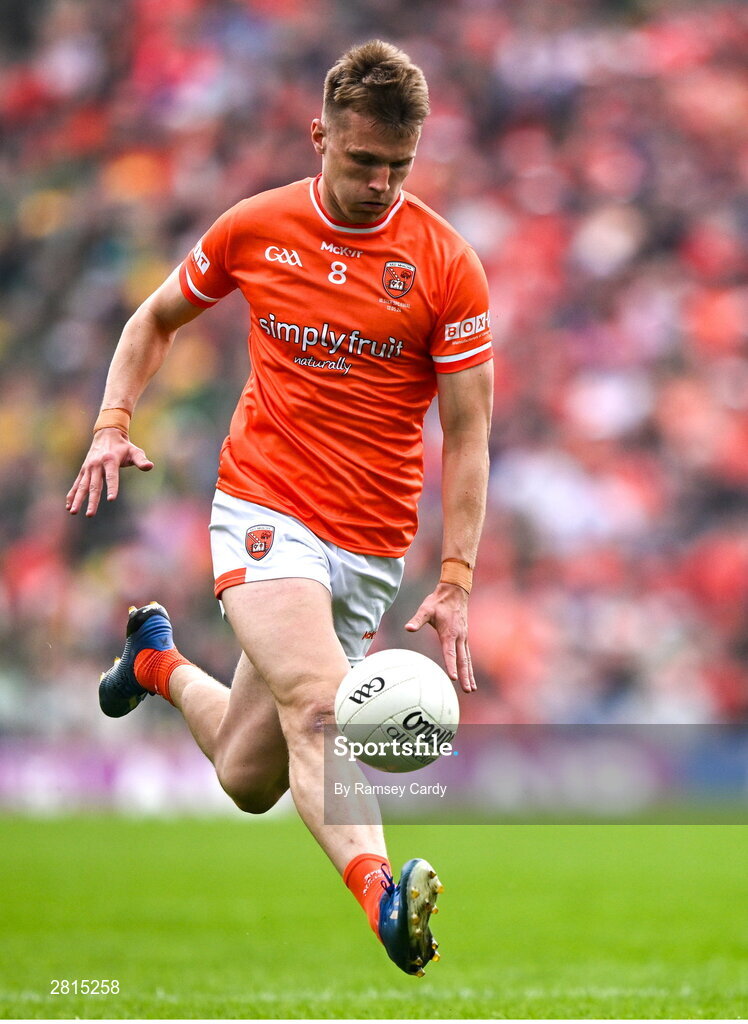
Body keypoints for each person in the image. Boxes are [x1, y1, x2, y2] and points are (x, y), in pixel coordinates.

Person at [66, 39, 493, 977]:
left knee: (249, 776)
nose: (381, 183)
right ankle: (385, 897)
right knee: (321, 710)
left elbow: (469, 433)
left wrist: (456, 578)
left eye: (399, 166)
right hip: (264, 506)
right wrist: (111, 420)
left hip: (371, 548)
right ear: (319, 137)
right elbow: (153, 322)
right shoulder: (255, 227)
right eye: (362, 161)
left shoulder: (446, 265)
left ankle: (155, 658)